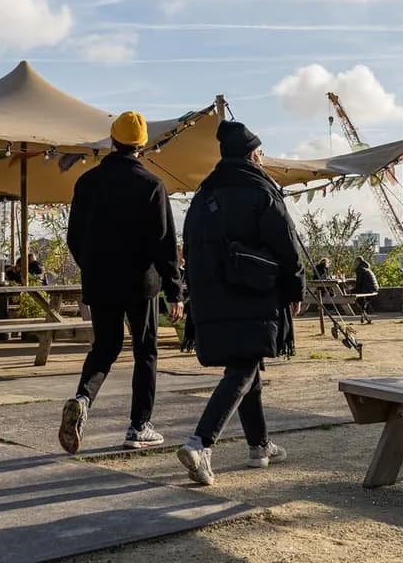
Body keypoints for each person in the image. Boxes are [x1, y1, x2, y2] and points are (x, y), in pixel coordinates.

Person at [176, 120, 301, 486]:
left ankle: (258, 445)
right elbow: (287, 246)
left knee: (245, 363)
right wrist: (294, 291)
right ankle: (200, 443)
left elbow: (190, 251)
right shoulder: (261, 191)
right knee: (244, 366)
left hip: (209, 295)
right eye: (260, 152)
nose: (262, 158)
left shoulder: (203, 196)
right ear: (251, 155)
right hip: (253, 290)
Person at [59, 111, 181, 453]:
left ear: (112, 142)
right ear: (142, 147)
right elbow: (164, 243)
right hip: (141, 284)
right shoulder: (152, 186)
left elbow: (74, 237)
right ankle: (139, 426)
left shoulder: (87, 182)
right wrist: (175, 290)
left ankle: (83, 398)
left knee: (105, 347)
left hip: (99, 282)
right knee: (145, 353)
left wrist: (93, 266)